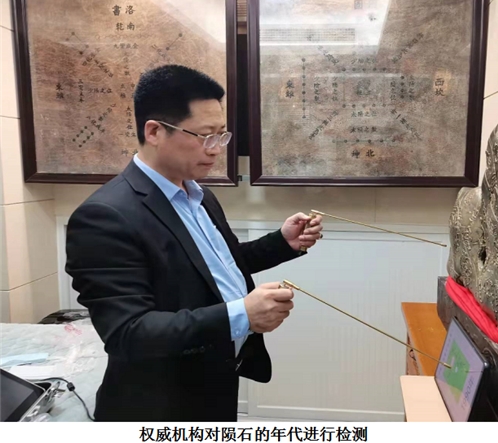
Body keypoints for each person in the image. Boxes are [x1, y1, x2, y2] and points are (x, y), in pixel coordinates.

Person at [65, 64, 323, 422]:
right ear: (154, 131)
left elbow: (217, 267)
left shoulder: (198, 194)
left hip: (214, 378)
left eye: (221, 136)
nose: (216, 150)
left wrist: (282, 243)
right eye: (204, 136)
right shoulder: (104, 217)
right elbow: (129, 332)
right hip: (159, 403)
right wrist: (242, 315)